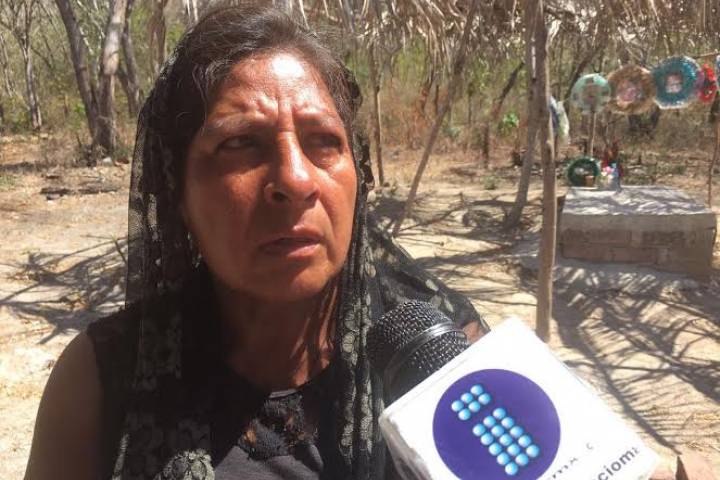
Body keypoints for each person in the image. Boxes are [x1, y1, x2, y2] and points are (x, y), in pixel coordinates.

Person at [25, 6, 487, 480]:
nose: (296, 179)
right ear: (177, 190)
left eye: (324, 140)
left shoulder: (442, 349)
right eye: (240, 143)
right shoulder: (101, 382)